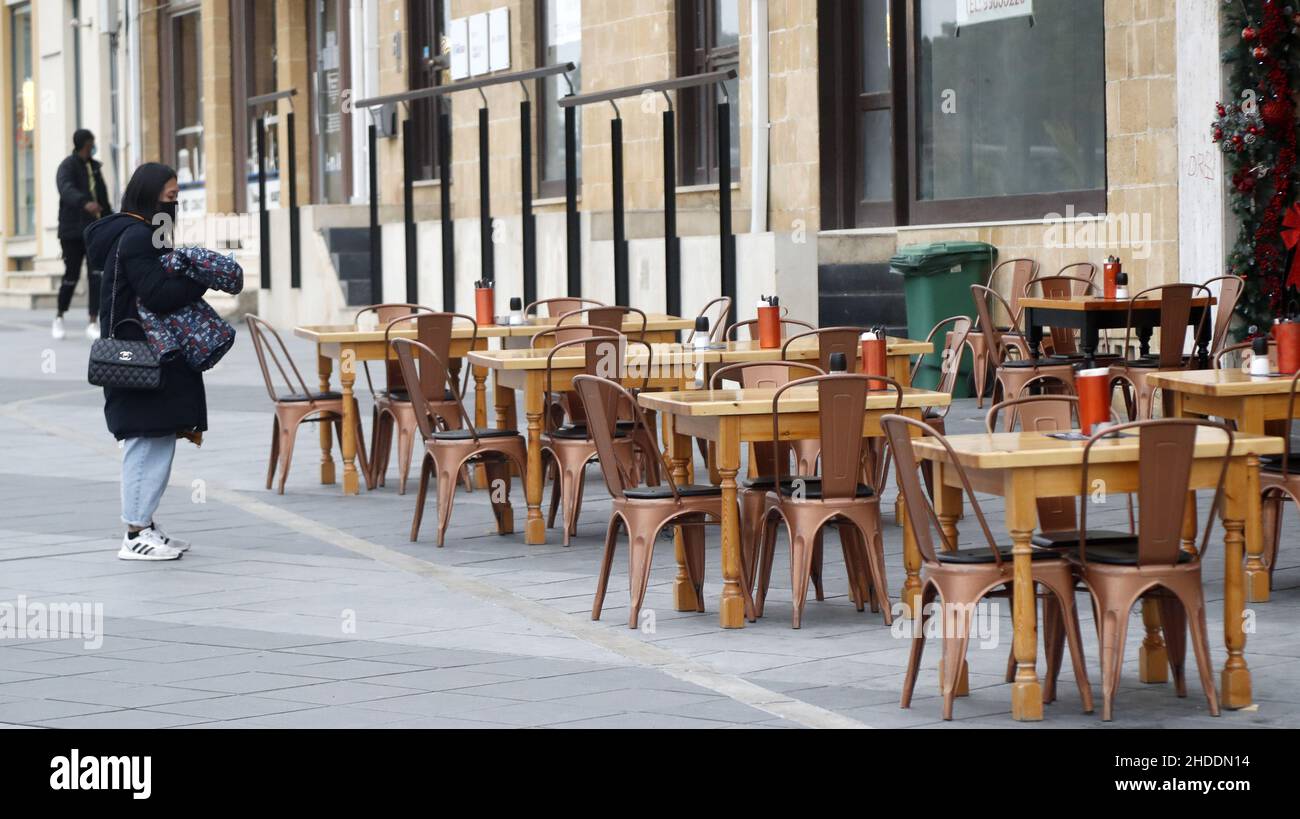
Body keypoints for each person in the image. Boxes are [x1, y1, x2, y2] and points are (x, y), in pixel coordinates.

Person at [85, 163, 206, 561]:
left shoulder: (136, 232)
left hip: (147, 354)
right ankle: (134, 533)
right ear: (149, 195)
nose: (173, 206)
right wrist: (204, 275)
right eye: (170, 198)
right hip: (138, 356)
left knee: (156, 436)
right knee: (143, 440)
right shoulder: (137, 237)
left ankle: (146, 524)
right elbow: (157, 294)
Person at [54, 129, 113, 340]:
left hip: (93, 231)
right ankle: (59, 316)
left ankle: (92, 321)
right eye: (91, 144)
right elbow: (65, 189)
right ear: (82, 145)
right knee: (71, 275)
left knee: (95, 275)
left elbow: (102, 198)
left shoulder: (95, 168)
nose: (93, 147)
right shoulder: (67, 167)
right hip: (71, 232)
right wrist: (84, 203)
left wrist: (113, 221)